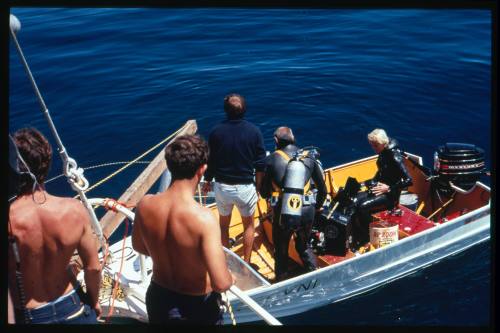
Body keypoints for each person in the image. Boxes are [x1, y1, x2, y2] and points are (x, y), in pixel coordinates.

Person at [132, 134, 233, 325]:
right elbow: (221, 283)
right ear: (202, 169)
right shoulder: (203, 218)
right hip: (197, 309)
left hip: (159, 298)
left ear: (169, 165)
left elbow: (139, 246)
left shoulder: (145, 204)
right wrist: (230, 278)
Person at [8, 128, 101, 324]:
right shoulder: (74, 209)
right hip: (74, 309)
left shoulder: (10, 220)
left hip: (28, 315)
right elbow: (93, 268)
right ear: (47, 163)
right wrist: (94, 303)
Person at [202, 93, 267, 264]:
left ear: (226, 111)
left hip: (223, 187)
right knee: (249, 226)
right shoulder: (254, 131)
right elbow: (261, 163)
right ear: (244, 110)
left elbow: (211, 161)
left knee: (223, 226)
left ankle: (225, 261)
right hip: (245, 188)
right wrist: (259, 186)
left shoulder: (216, 132)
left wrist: (207, 180)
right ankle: (245, 263)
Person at [259, 127, 327, 281]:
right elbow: (323, 190)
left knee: (281, 250)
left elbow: (263, 193)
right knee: (303, 246)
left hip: (284, 211)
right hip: (307, 209)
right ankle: (316, 277)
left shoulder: (270, 160)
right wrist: (316, 207)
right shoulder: (309, 157)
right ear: (293, 137)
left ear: (276, 141)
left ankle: (282, 282)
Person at [353, 128, 413, 246]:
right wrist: (365, 183)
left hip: (390, 195)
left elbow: (409, 180)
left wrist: (389, 188)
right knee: (354, 199)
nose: (374, 148)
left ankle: (367, 236)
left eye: (375, 145)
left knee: (362, 206)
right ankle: (358, 230)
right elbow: (381, 173)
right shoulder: (383, 152)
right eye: (372, 145)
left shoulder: (395, 156)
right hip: (380, 188)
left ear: (383, 143)